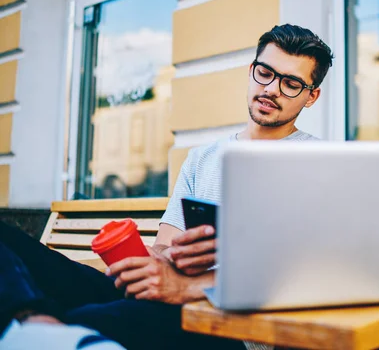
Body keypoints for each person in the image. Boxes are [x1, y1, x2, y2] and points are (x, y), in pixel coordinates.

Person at [0, 24, 334, 350]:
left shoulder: (318, 161)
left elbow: (310, 272)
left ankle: (37, 328)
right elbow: (165, 248)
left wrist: (188, 287)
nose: (272, 89)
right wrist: (151, 258)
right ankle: (33, 322)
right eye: (265, 73)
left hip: (229, 325)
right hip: (164, 298)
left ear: (311, 96)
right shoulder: (202, 158)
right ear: (251, 71)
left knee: (86, 320)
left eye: (290, 83)